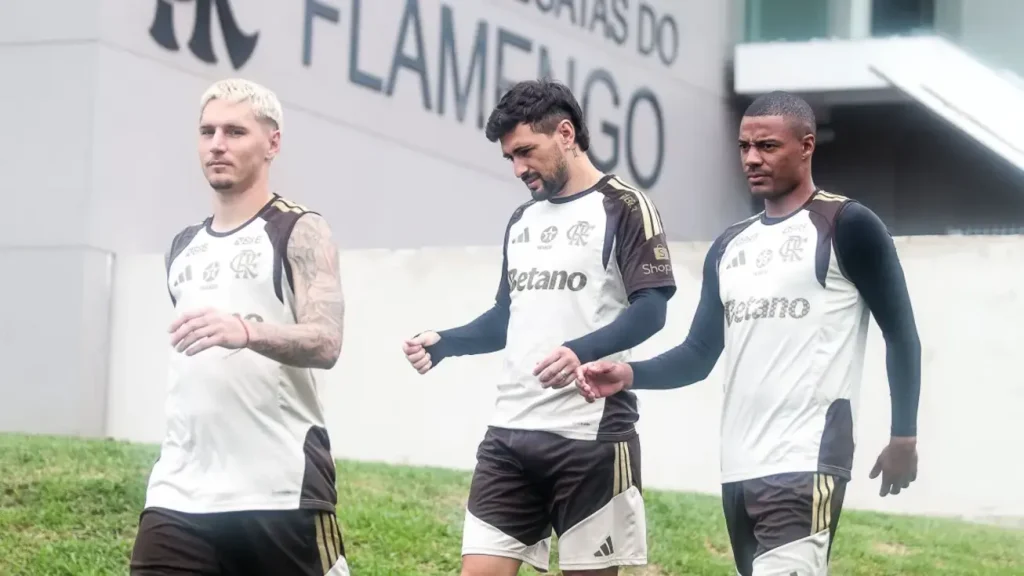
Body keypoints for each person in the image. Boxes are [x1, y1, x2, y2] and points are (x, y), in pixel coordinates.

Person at [572, 91, 922, 576]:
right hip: (738, 467)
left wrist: (904, 434)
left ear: (806, 145)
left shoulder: (848, 224)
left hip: (807, 458)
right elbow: (698, 354)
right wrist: (627, 373)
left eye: (767, 146)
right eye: (744, 147)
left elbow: (902, 334)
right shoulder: (729, 245)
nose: (752, 158)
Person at [401, 79, 676, 576]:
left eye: (525, 151)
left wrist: (579, 350)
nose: (518, 168)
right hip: (509, 438)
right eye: (509, 157)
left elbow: (652, 308)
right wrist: (446, 343)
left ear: (566, 133)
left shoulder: (626, 206)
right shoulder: (521, 221)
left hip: (590, 440)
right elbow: (506, 320)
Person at [130, 78, 350, 576]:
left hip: (279, 488)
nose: (217, 144)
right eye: (207, 131)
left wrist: (247, 331)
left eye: (234, 131)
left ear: (272, 142)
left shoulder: (299, 229)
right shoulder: (183, 245)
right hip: (179, 491)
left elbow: (327, 340)